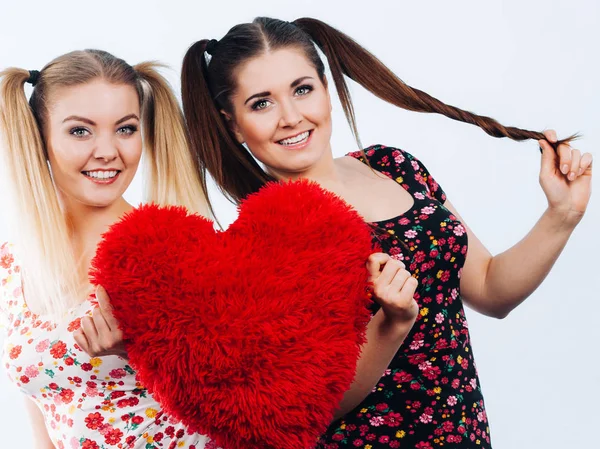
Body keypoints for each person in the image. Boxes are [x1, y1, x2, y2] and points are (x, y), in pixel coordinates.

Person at [179, 17, 593, 448]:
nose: (291, 117)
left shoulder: (394, 167)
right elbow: (310, 407)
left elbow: (491, 289)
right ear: (232, 125)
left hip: (463, 433)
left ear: (327, 90)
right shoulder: (261, 237)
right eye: (261, 104)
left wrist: (561, 215)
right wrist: (392, 324)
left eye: (302, 89)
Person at [0, 49, 213, 449]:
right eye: (80, 131)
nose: (107, 151)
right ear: (38, 136)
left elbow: (246, 399)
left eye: (126, 129)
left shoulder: (171, 248)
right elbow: (41, 407)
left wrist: (142, 352)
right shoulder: (12, 260)